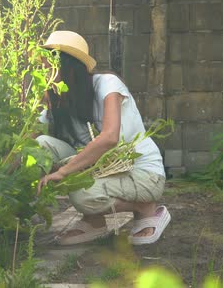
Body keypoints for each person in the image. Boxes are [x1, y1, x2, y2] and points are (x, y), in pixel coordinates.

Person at [36, 30, 170, 246]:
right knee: (39, 146)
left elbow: (109, 138)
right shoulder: (59, 97)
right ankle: (94, 222)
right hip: (101, 169)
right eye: (43, 67)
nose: (45, 73)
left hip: (140, 172)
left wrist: (62, 172)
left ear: (70, 67)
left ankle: (144, 207)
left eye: (50, 66)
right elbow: (30, 138)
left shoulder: (106, 84)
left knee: (83, 196)